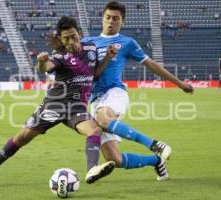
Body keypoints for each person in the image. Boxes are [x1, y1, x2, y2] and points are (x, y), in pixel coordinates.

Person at [0, 16, 117, 188]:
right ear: (61, 39)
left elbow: (95, 75)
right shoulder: (60, 56)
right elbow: (45, 68)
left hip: (77, 107)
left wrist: (107, 57)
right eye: (66, 38)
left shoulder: (90, 48)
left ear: (79, 33)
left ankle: (92, 169)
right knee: (21, 138)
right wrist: (41, 61)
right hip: (55, 104)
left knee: (95, 129)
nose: (70, 41)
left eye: (73, 36)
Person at [82, 1, 194, 180]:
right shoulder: (87, 43)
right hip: (95, 99)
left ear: (122, 22)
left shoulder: (127, 43)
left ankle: (154, 144)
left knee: (103, 119)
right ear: (102, 19)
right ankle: (156, 161)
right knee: (114, 159)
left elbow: (151, 64)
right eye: (108, 18)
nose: (111, 22)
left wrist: (179, 83)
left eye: (116, 19)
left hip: (115, 93)